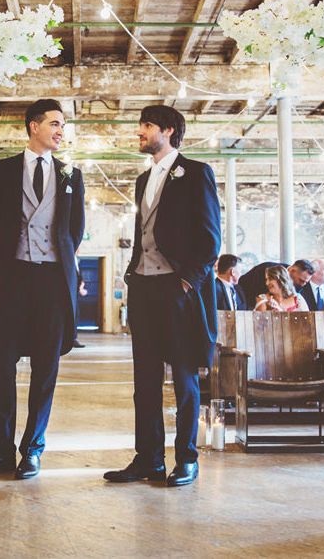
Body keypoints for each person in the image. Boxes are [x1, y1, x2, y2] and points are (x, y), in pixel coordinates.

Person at [104, 104, 220, 489]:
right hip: (143, 286)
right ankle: (149, 459)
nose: (140, 131)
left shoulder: (196, 172)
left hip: (177, 288)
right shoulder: (142, 179)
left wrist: (187, 282)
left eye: (147, 125)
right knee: (145, 381)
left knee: (184, 378)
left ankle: (186, 458)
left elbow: (209, 239)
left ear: (168, 130)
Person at [0, 98, 85, 480]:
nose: (59, 131)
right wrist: (5, 256)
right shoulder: (2, 170)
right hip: (11, 277)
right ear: (33, 126)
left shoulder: (71, 175)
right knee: (1, 364)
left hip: (53, 282)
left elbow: (75, 230)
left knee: (45, 368)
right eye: (54, 123)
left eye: (62, 125)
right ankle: (2, 450)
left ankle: (32, 449)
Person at [238, 259, 314, 305]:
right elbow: (243, 285)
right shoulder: (265, 270)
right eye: (301, 280)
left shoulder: (302, 283)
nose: (302, 285)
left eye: (306, 282)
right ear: (292, 270)